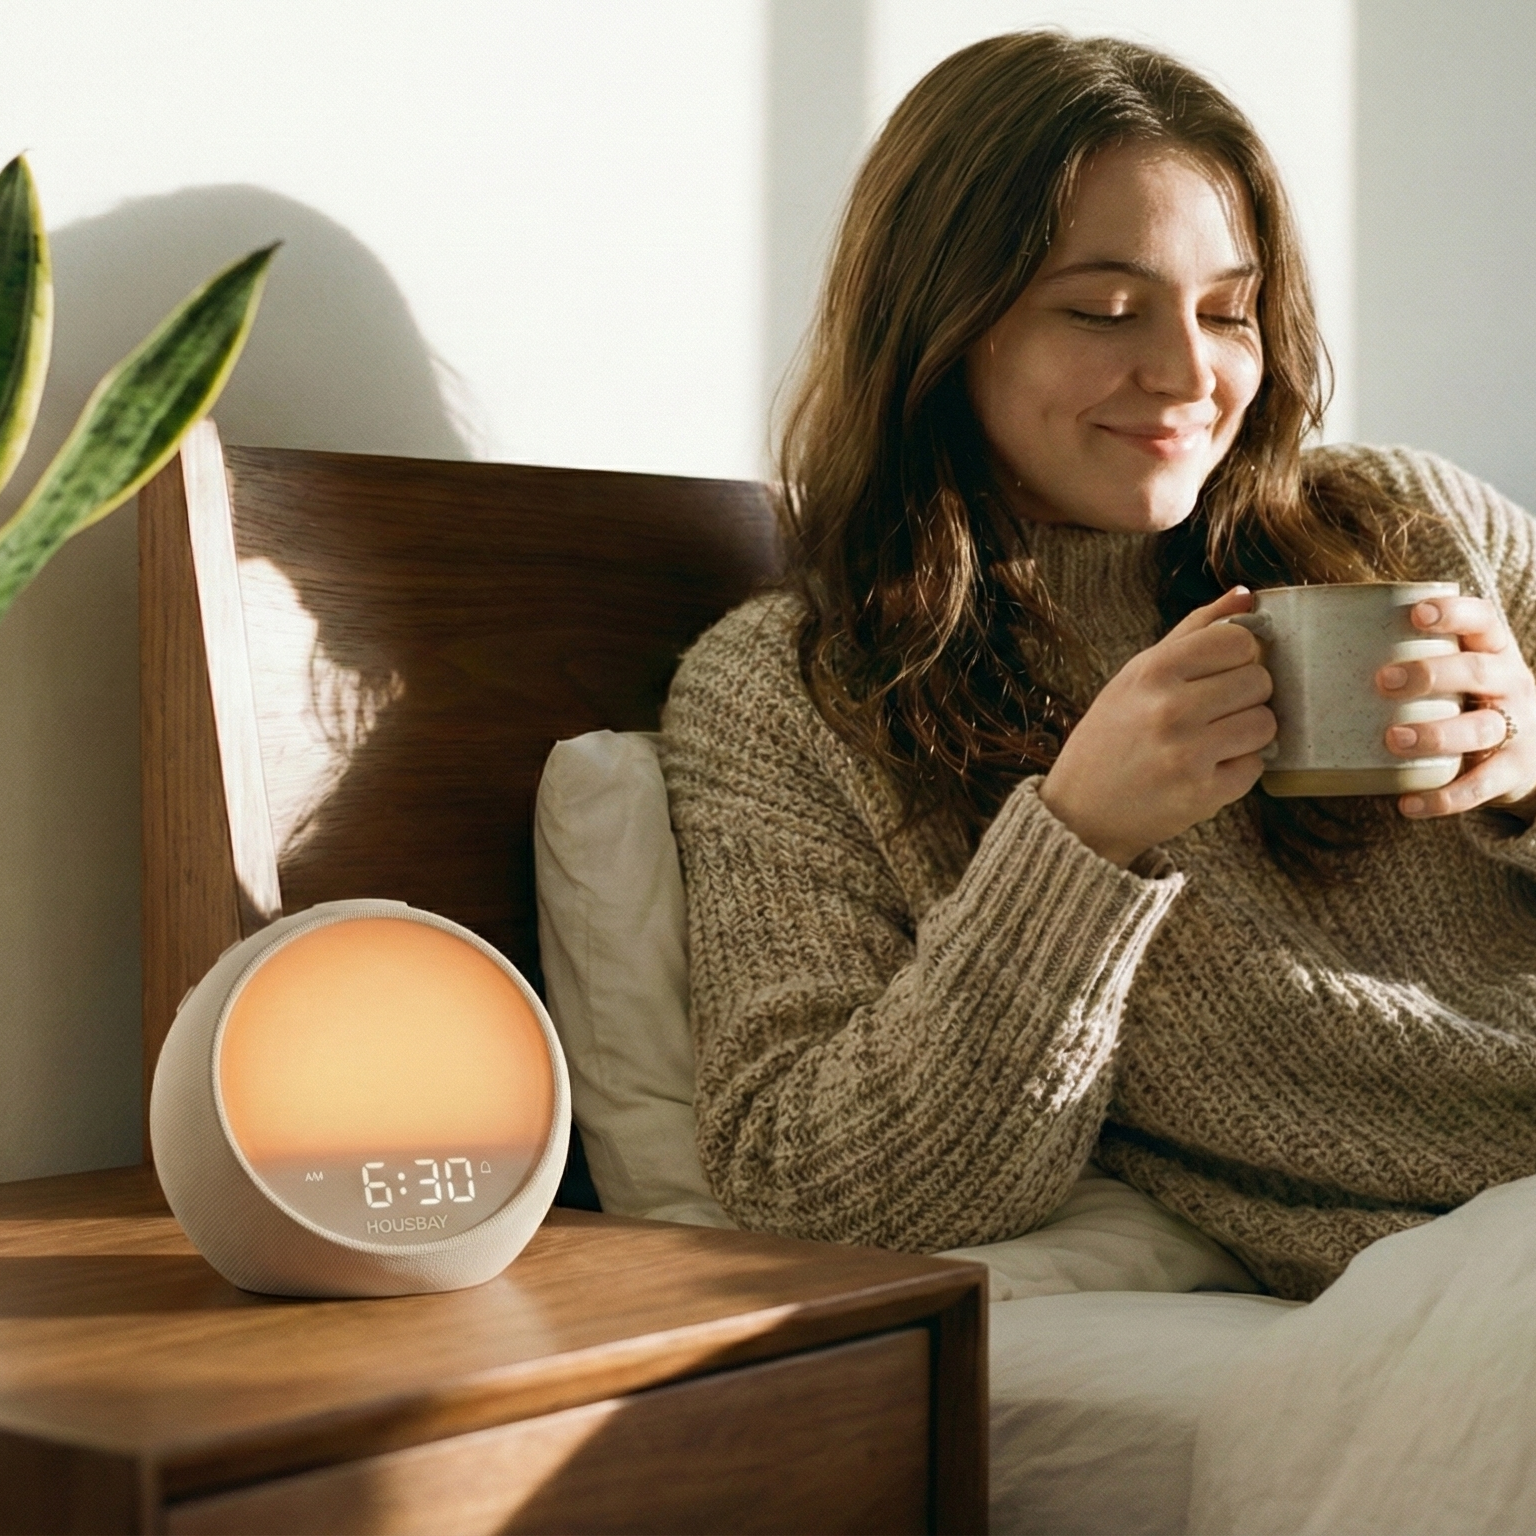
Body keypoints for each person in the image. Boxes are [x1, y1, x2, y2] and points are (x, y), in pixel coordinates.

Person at [659, 30, 1536, 1302]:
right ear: (942, 331)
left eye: (1230, 311)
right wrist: (1076, 841)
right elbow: (814, 1183)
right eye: (1106, 312)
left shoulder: (1418, 523)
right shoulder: (800, 694)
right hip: (1468, 1269)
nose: (1192, 375)